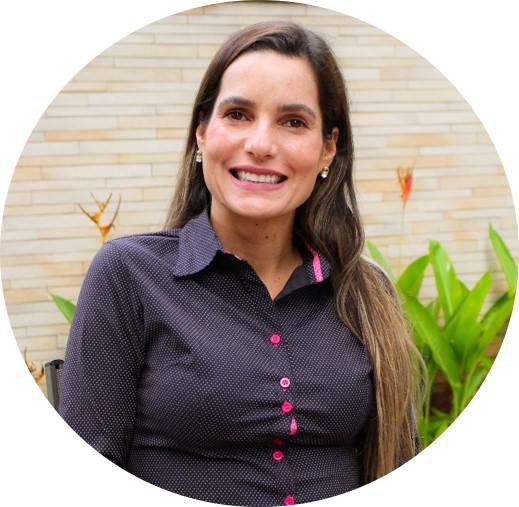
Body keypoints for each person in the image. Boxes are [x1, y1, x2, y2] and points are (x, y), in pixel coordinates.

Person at [59, 21, 424, 506]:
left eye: (293, 122)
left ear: (328, 148)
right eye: (237, 114)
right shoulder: (129, 274)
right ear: (202, 133)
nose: (260, 144)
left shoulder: (366, 290)